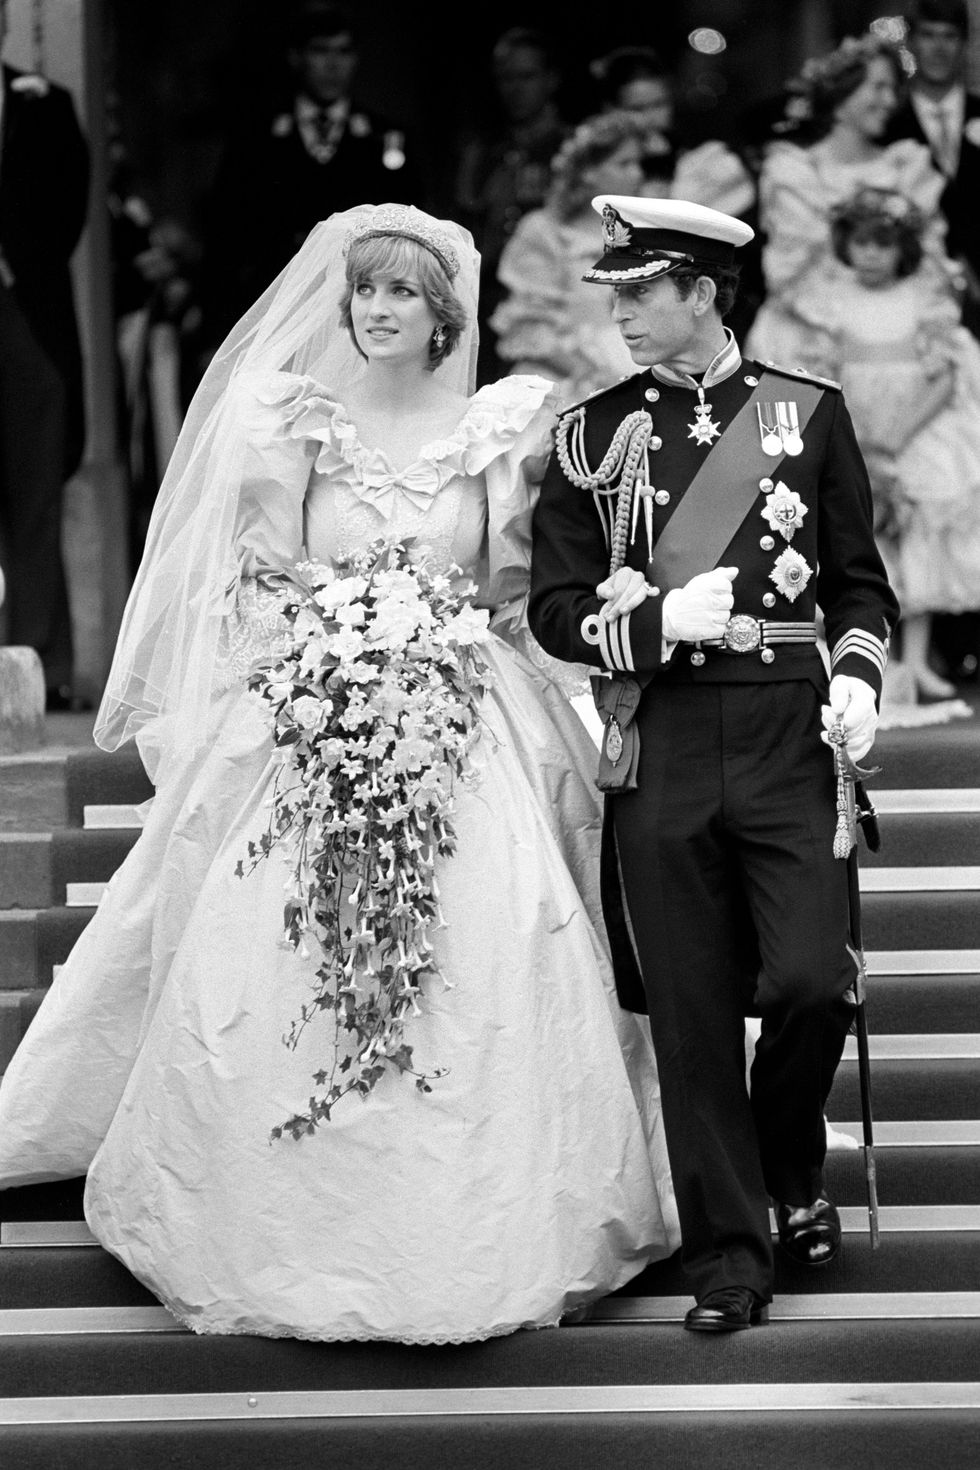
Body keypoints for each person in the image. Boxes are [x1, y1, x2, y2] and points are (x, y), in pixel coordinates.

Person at [0, 203, 679, 1344]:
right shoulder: (289, 421)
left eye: (400, 294)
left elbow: (514, 597)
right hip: (313, 703)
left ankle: (481, 1221)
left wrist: (491, 657)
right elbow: (259, 580)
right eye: (364, 291)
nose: (374, 311)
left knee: (500, 939)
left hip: (465, 708)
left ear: (440, 314)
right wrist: (331, 658)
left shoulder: (500, 429)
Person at [528, 193, 899, 1332]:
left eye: (642, 294)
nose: (623, 316)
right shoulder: (588, 436)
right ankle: (731, 1255)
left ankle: (787, 1163)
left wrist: (854, 680)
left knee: (805, 983)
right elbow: (548, 607)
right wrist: (650, 628)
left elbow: (857, 583)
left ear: (703, 293)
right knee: (689, 1012)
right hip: (668, 738)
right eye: (616, 295)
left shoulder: (806, 413)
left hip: (790, 733)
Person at [820, 185, 980, 701]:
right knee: (866, 537)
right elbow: (820, 370)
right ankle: (870, 654)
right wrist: (857, 437)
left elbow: (942, 379)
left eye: (883, 244)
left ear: (903, 249)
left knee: (917, 534)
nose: (870, 254)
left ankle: (917, 658)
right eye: (861, 242)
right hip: (852, 425)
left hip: (913, 428)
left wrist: (894, 439)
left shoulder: (924, 299)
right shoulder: (831, 300)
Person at [199, 2, 423, 354]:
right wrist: (217, 334)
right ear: (296, 57)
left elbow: (409, 237)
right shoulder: (254, 138)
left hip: (358, 315)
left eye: (344, 52)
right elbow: (226, 240)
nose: (333, 65)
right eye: (320, 51)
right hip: (276, 310)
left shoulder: (385, 138)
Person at [746, 33, 952, 374]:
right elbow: (790, 275)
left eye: (893, 90)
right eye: (878, 87)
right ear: (841, 96)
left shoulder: (906, 167)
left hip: (898, 335)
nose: (890, 101)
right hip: (810, 333)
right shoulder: (794, 174)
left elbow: (931, 265)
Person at [884, 0, 980, 682]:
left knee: (963, 474)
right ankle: (926, 646)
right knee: (924, 476)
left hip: (972, 309)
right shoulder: (885, 118)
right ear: (914, 44)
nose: (941, 48)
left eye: (953, 37)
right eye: (931, 37)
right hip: (916, 307)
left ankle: (966, 632)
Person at [0, 1, 90, 710]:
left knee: (35, 494)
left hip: (22, 314)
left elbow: (67, 213)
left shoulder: (43, 105)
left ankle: (39, 667)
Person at [489, 111, 643, 404]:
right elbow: (529, 325)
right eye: (624, 164)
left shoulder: (640, 233)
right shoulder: (546, 232)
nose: (637, 174)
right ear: (588, 171)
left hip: (634, 371)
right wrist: (595, 377)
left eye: (638, 163)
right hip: (565, 379)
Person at [452, 27, 571, 385]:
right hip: (489, 302)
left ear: (550, 79)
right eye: (505, 79)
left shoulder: (574, 150)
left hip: (555, 304)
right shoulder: (482, 153)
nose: (515, 88)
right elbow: (463, 228)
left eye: (527, 76)